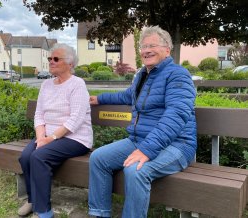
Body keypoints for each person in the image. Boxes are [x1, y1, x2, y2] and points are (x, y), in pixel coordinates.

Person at [88, 26, 197, 218]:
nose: (146, 50)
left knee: (135, 170)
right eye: (143, 46)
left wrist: (147, 150)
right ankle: (99, 214)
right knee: (98, 158)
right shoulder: (142, 76)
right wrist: (99, 99)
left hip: (177, 145)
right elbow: (128, 96)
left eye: (152, 45)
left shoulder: (178, 75)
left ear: (167, 50)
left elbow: (176, 114)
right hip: (140, 140)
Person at [18, 43, 93, 218]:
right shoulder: (46, 85)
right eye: (50, 58)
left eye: (56, 59)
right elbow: (39, 114)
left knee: (38, 157)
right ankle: (32, 200)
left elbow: (75, 120)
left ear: (70, 64)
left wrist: (49, 138)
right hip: (48, 136)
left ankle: (44, 211)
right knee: (26, 156)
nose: (51, 61)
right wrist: (40, 137)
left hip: (76, 138)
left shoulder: (77, 85)